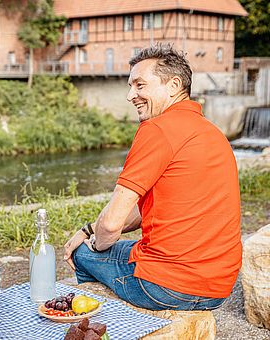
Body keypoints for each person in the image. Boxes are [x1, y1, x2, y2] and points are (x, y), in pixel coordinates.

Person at [64, 44, 242, 311]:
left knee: (82, 253)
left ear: (173, 85)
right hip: (218, 288)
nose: (130, 95)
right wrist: (89, 229)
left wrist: (92, 242)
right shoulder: (212, 133)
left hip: (166, 287)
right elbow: (143, 210)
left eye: (139, 85)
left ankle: (104, 321)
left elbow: (111, 225)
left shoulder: (157, 129)